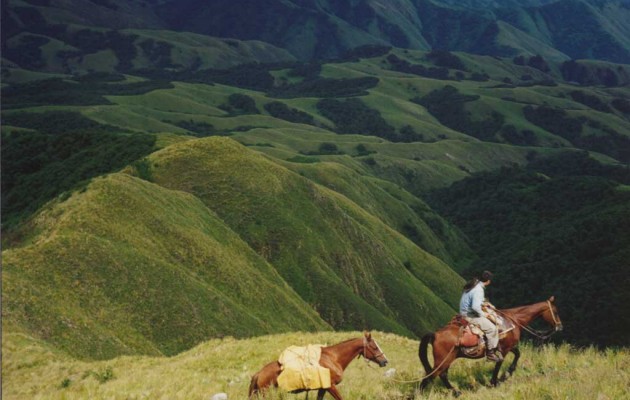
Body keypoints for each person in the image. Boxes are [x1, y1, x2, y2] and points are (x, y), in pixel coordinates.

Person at [459, 270, 503, 362]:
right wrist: (484, 314)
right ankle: (490, 354)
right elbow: (475, 307)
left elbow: (476, 300)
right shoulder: (479, 289)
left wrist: (484, 303)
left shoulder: (474, 284)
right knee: (492, 328)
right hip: (470, 315)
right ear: (488, 281)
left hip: (464, 311)